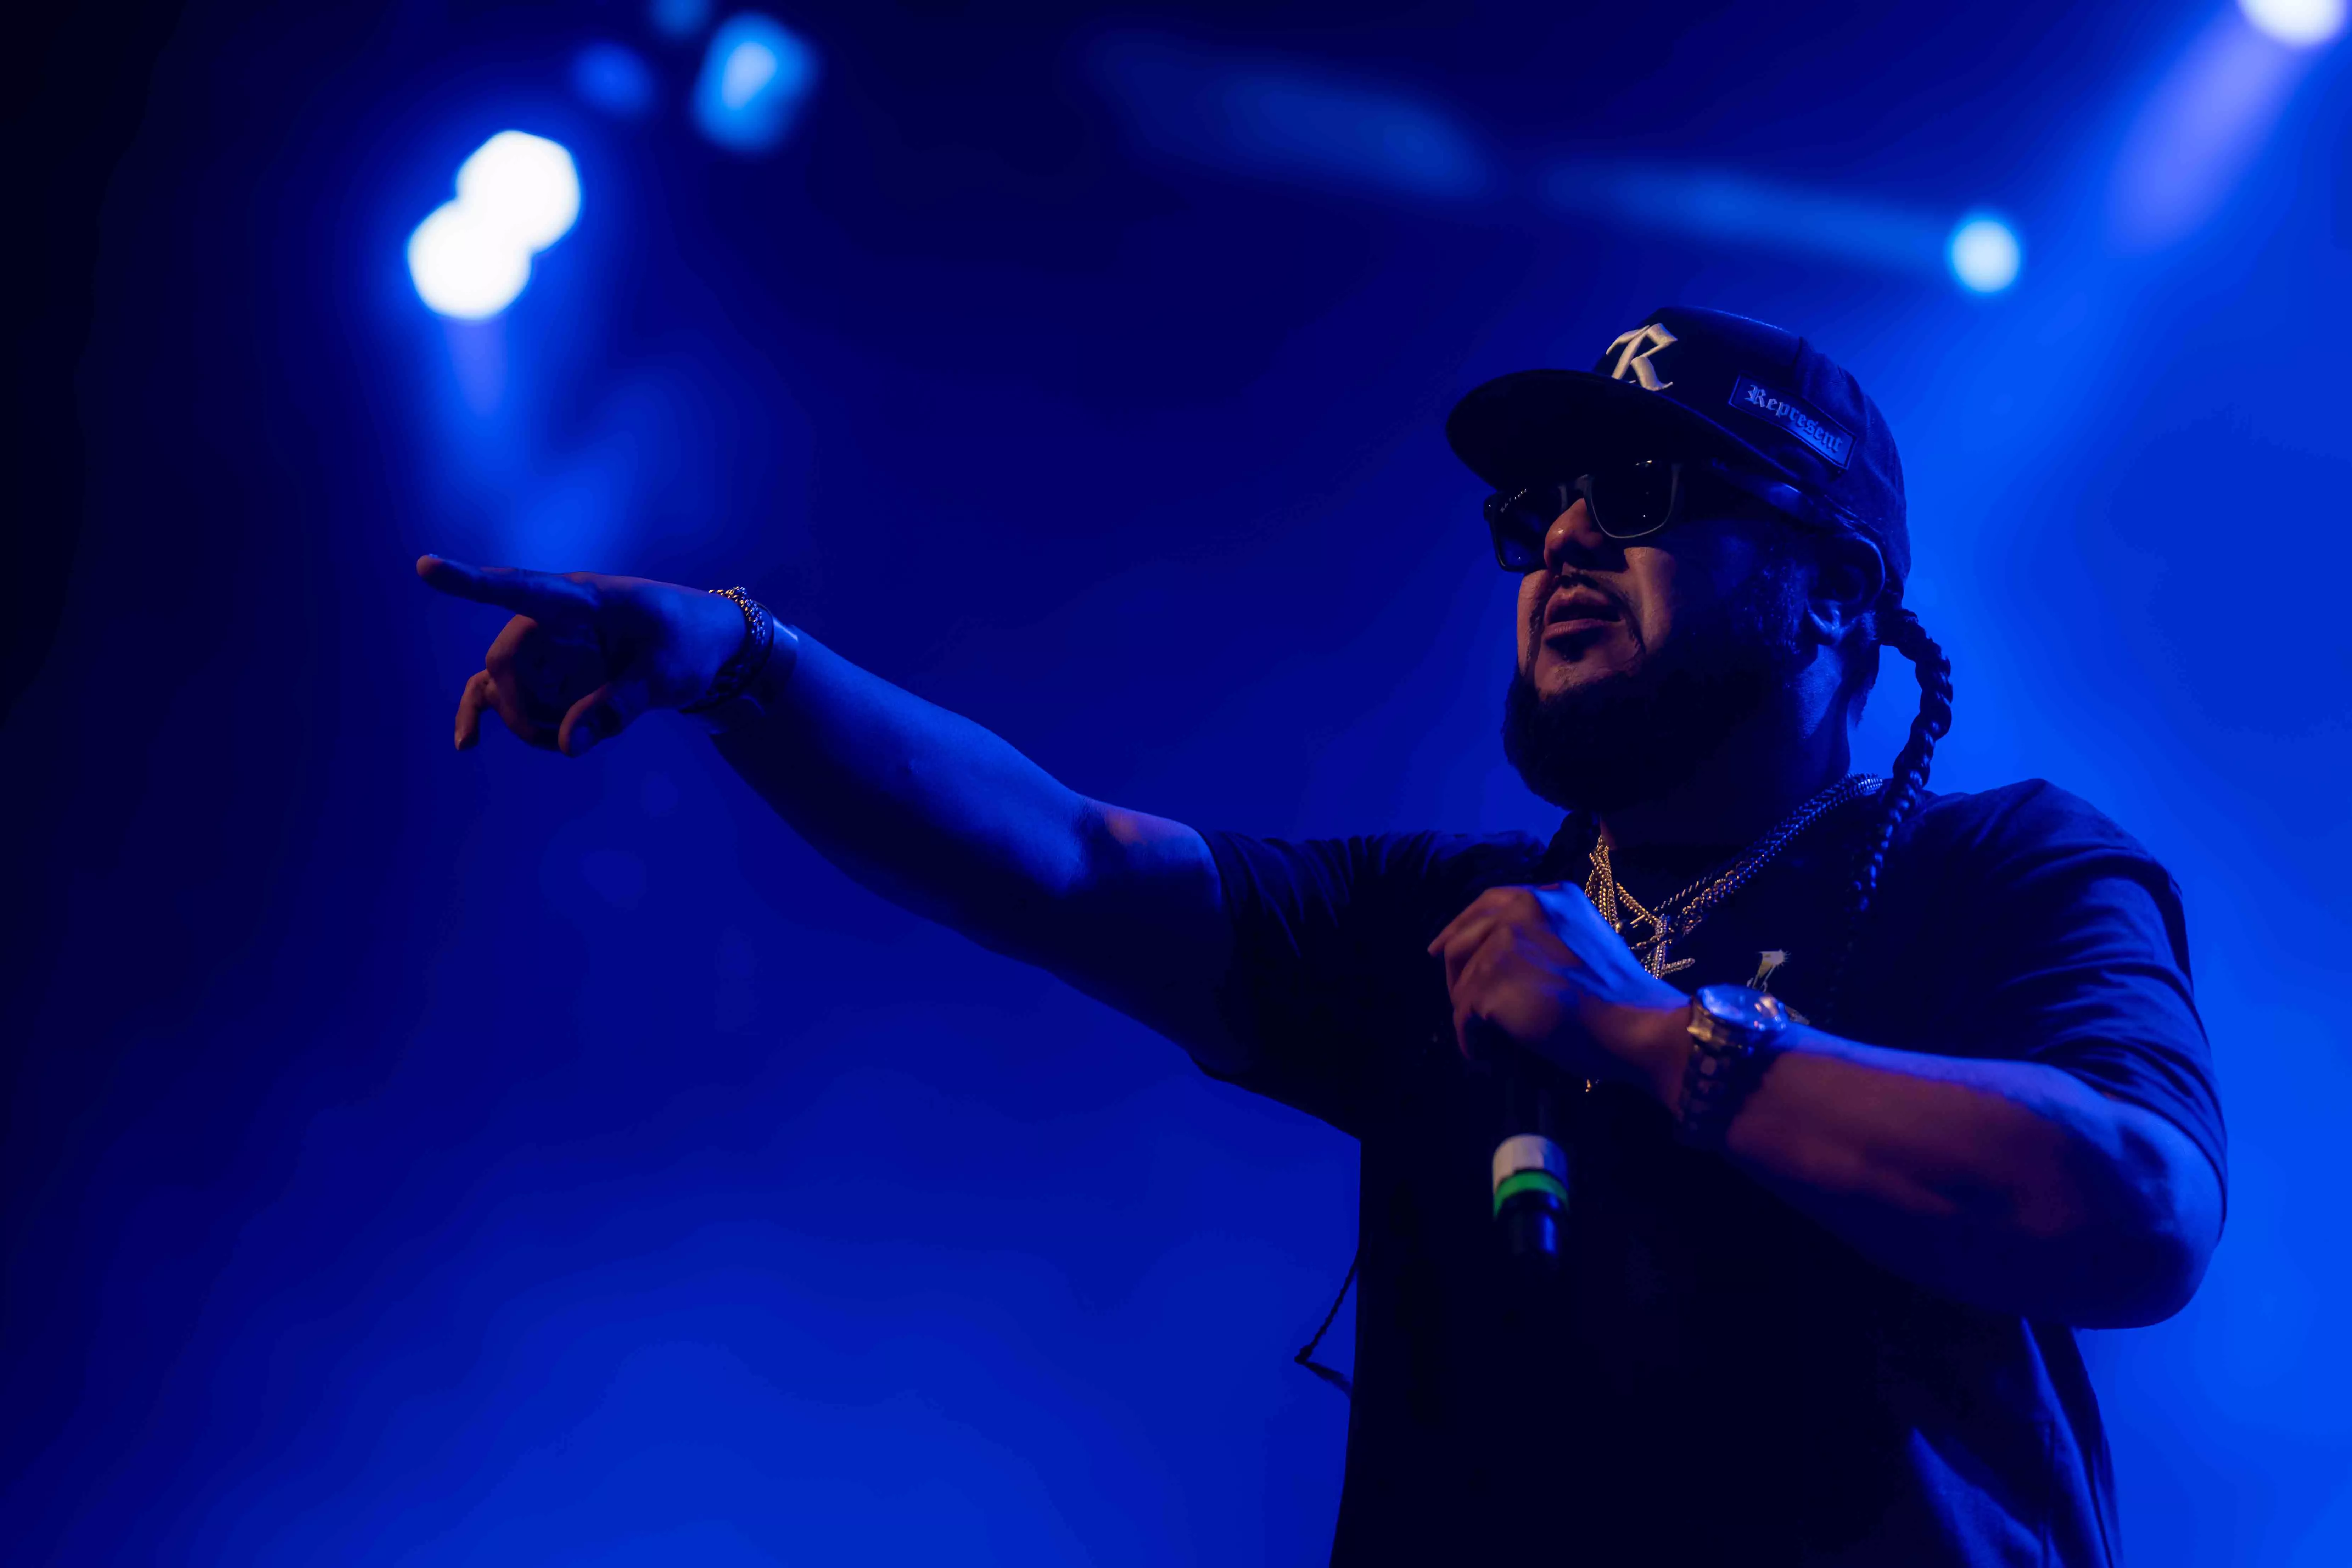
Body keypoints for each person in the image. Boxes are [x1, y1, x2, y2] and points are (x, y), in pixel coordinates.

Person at [415, 306, 2224, 1565]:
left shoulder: (2006, 870)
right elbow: (1070, 862)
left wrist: (1650, 1036)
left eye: (1649, 496)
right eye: (1539, 509)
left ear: (1837, 592)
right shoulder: (1444, 919)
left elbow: (2136, 1209)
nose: (1569, 535)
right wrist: (743, 665)